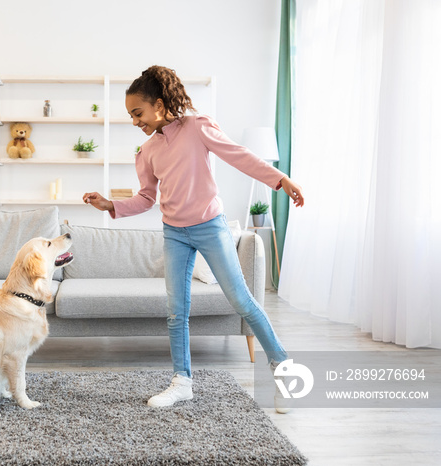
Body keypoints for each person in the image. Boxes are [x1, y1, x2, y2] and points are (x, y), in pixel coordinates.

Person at [83, 65, 304, 412]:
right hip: (174, 233)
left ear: (158, 103)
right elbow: (146, 198)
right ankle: (182, 380)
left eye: (137, 112)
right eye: (130, 115)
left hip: (210, 226)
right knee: (176, 311)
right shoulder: (147, 152)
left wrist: (280, 179)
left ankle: (283, 372)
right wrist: (110, 204)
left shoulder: (198, 127)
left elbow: (239, 156)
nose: (134, 121)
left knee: (243, 302)